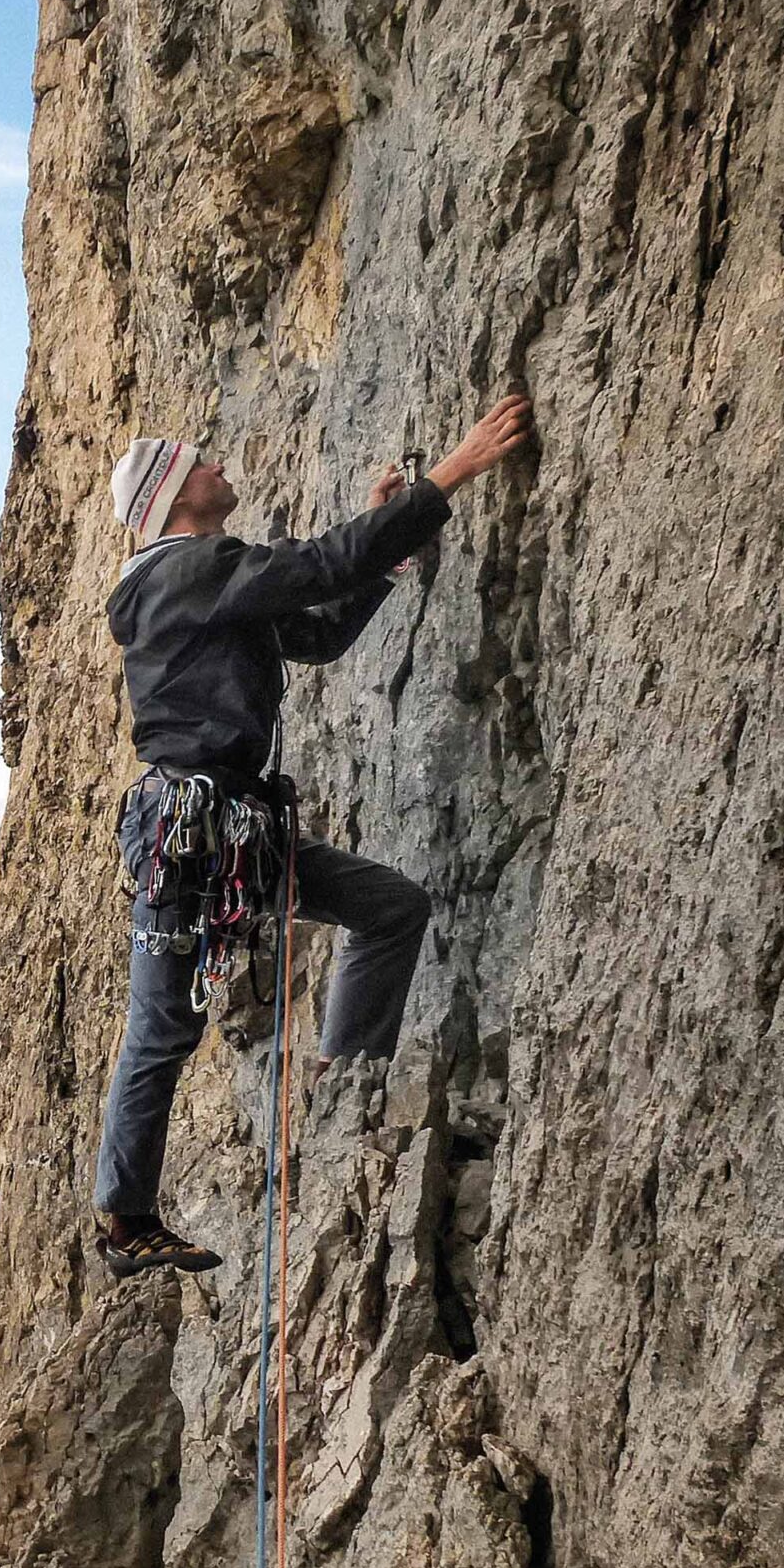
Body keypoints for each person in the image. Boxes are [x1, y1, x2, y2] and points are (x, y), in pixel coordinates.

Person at [95, 395, 532, 1278]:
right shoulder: (189, 570)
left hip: (221, 833)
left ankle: (344, 1078)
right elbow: (318, 565)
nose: (219, 466)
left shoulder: (203, 583)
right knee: (161, 1028)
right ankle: (126, 1220)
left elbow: (317, 632)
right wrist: (453, 472)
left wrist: (386, 541)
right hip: (197, 835)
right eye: (201, 463)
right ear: (175, 494)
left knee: (389, 907)